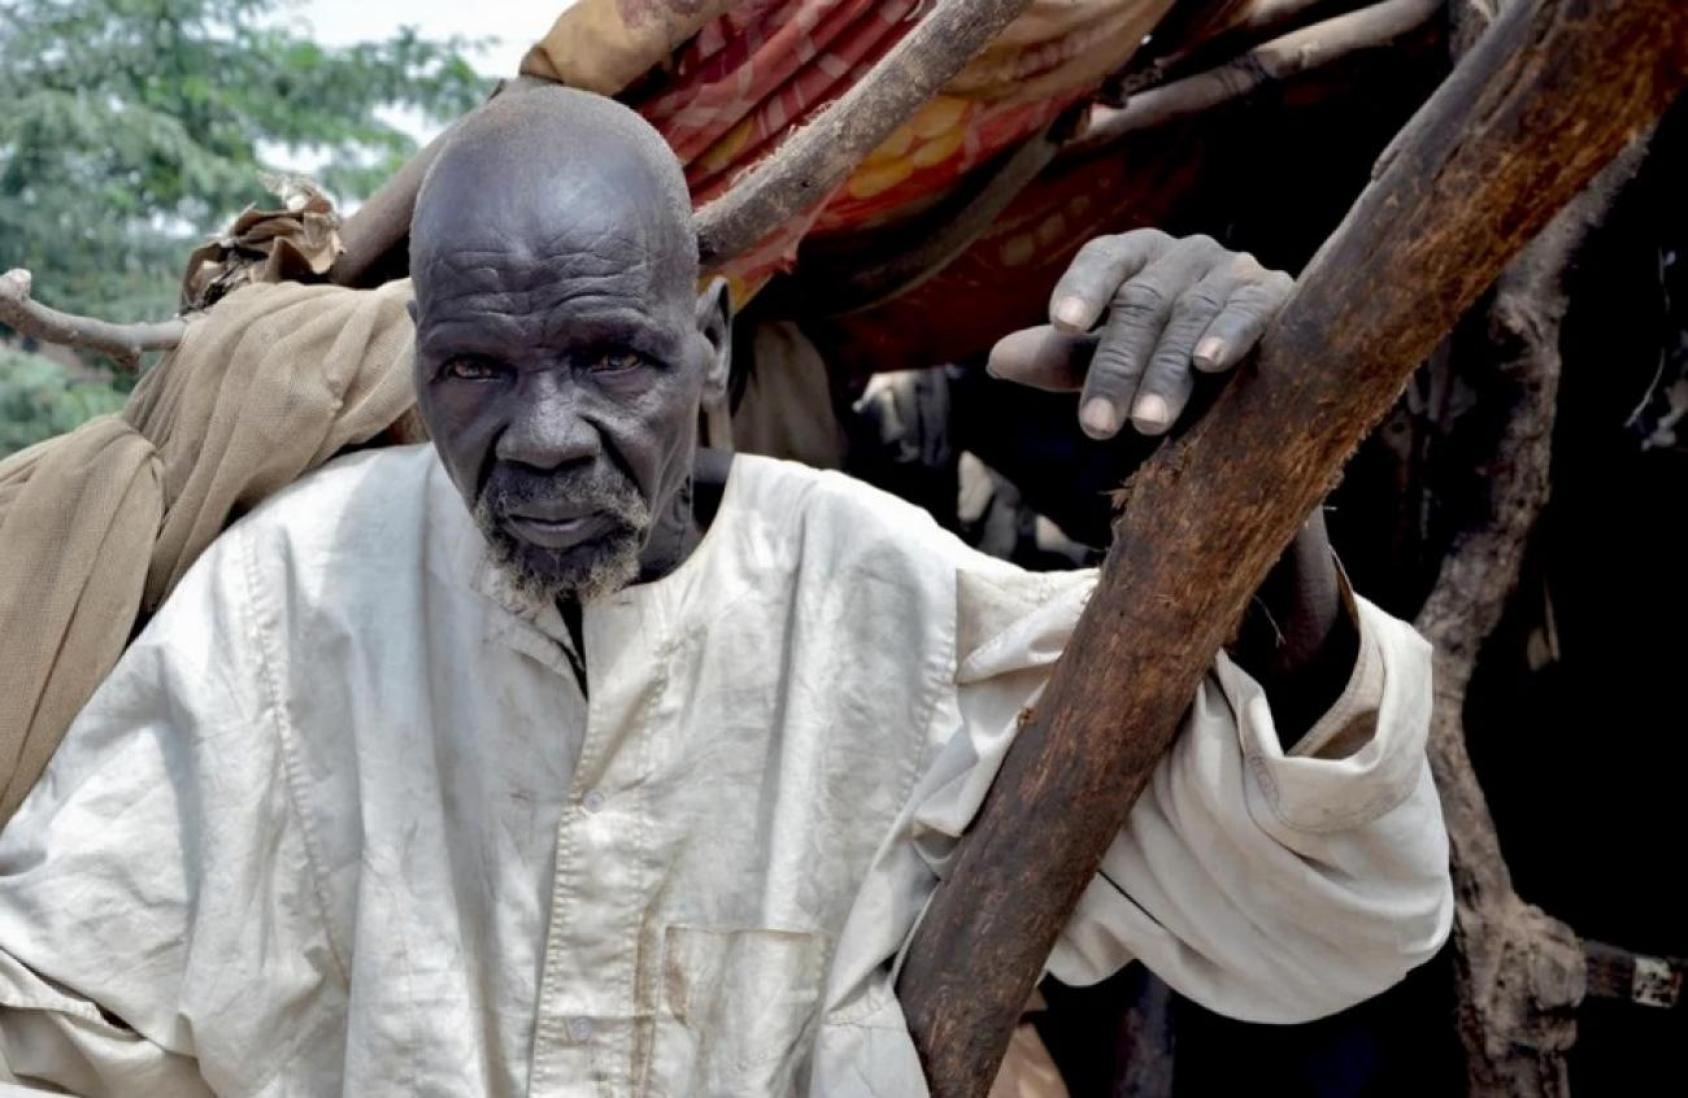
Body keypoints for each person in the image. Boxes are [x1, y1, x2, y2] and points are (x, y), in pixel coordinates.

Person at [0, 86, 1450, 1097]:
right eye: (476, 369)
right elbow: (54, 1011)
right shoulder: (288, 598)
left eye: (609, 357)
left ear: (707, 343)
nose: (543, 434)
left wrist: (1261, 511)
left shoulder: (893, 606)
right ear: (418, 357)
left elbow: (1339, 920)